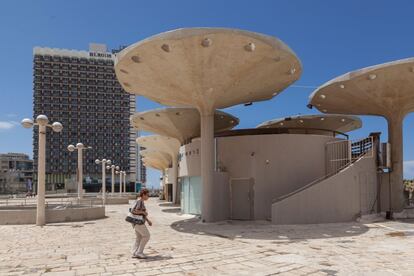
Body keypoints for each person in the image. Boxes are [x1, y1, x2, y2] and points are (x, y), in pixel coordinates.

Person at [131, 188, 152, 259]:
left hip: (135, 222)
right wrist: (143, 212)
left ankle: (134, 252)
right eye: (147, 195)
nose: (148, 197)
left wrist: (148, 220)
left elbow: (141, 213)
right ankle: (139, 252)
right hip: (138, 223)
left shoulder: (140, 201)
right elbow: (133, 211)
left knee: (139, 237)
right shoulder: (139, 201)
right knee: (147, 236)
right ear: (143, 195)